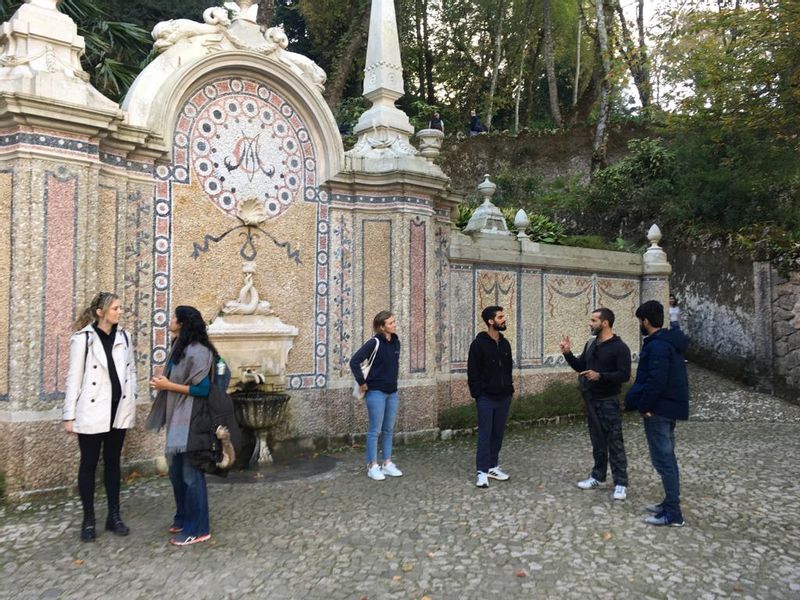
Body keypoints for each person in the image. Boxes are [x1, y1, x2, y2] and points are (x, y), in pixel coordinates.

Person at [63, 292, 137, 542]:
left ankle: (114, 516)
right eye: (115, 308)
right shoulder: (83, 339)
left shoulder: (124, 336)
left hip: (117, 410)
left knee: (113, 464)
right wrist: (69, 415)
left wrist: (131, 400)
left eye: (120, 307)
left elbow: (130, 372)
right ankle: (88, 519)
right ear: (100, 312)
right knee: (89, 464)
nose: (119, 311)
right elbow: (74, 378)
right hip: (92, 410)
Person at [148, 306, 216, 546]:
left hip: (191, 419)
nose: (171, 319)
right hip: (178, 417)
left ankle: (198, 528)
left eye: (175, 317)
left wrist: (168, 386)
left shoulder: (199, 351)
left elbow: (202, 389)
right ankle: (184, 516)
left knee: (190, 473)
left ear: (184, 322)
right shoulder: (180, 346)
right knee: (177, 472)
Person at [625, 300, 690, 527]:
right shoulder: (668, 342)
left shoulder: (657, 346)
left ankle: (673, 512)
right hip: (667, 408)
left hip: (658, 411)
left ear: (644, 321)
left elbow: (656, 380)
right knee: (666, 457)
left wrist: (644, 405)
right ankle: (669, 503)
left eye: (639, 321)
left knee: (664, 459)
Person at [560, 308, 631, 500]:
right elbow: (581, 367)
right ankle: (598, 476)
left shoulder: (619, 347)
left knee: (614, 442)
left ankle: (621, 483)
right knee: (597, 442)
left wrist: (600, 376)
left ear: (605, 323)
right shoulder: (591, 344)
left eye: (593, 320)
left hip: (608, 401)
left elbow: (624, 375)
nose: (590, 323)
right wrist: (567, 353)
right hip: (591, 400)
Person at [350, 311, 403, 481]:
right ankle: (372, 465)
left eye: (394, 322)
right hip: (376, 392)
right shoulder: (374, 342)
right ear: (381, 327)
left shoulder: (395, 342)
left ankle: (387, 463)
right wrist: (362, 382)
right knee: (375, 430)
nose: (394, 325)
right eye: (390, 323)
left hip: (392, 392)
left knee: (388, 429)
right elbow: (354, 361)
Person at [468, 306, 513, 488]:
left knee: (498, 434)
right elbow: (473, 372)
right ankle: (482, 471)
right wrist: (478, 394)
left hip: (504, 396)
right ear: (490, 321)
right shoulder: (478, 344)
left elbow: (508, 368)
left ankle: (493, 466)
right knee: (485, 434)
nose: (504, 319)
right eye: (500, 317)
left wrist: (509, 389)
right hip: (486, 397)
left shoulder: (505, 343)